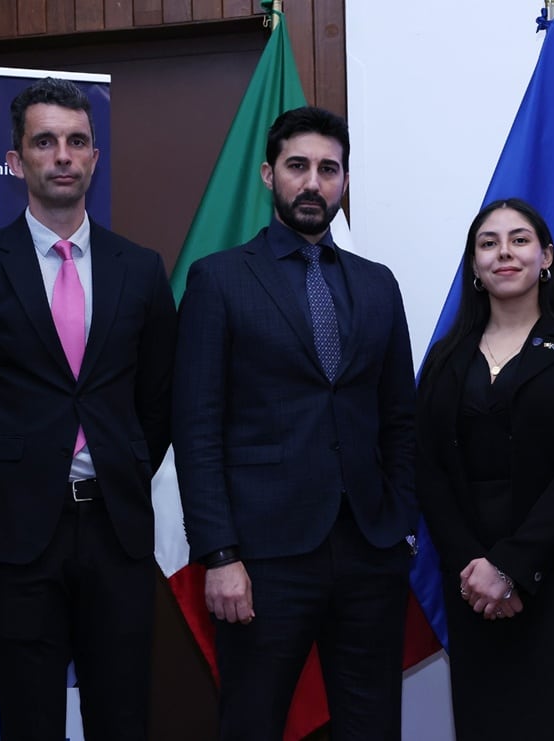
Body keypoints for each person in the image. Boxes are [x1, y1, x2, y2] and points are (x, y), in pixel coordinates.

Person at [0, 77, 176, 741]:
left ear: (94, 157)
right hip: (14, 534)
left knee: (122, 718)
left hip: (115, 530)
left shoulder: (140, 269)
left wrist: (119, 468)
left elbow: (158, 401)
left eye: (76, 141)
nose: (62, 155)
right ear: (17, 160)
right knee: (29, 720)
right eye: (44, 142)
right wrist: (7, 479)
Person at [171, 106, 417, 740]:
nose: (313, 182)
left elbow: (400, 418)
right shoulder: (219, 280)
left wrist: (400, 528)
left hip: (369, 550)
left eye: (328, 170)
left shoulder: (378, 285)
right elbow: (196, 429)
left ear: (344, 181)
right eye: (298, 166)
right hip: (261, 558)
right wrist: (219, 554)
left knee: (372, 726)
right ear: (268, 174)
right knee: (252, 723)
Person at [416, 198, 554, 740]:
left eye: (519, 240)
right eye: (489, 243)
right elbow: (428, 472)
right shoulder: (444, 359)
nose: (504, 252)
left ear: (545, 257)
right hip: (472, 585)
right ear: (474, 266)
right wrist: (478, 570)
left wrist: (511, 567)